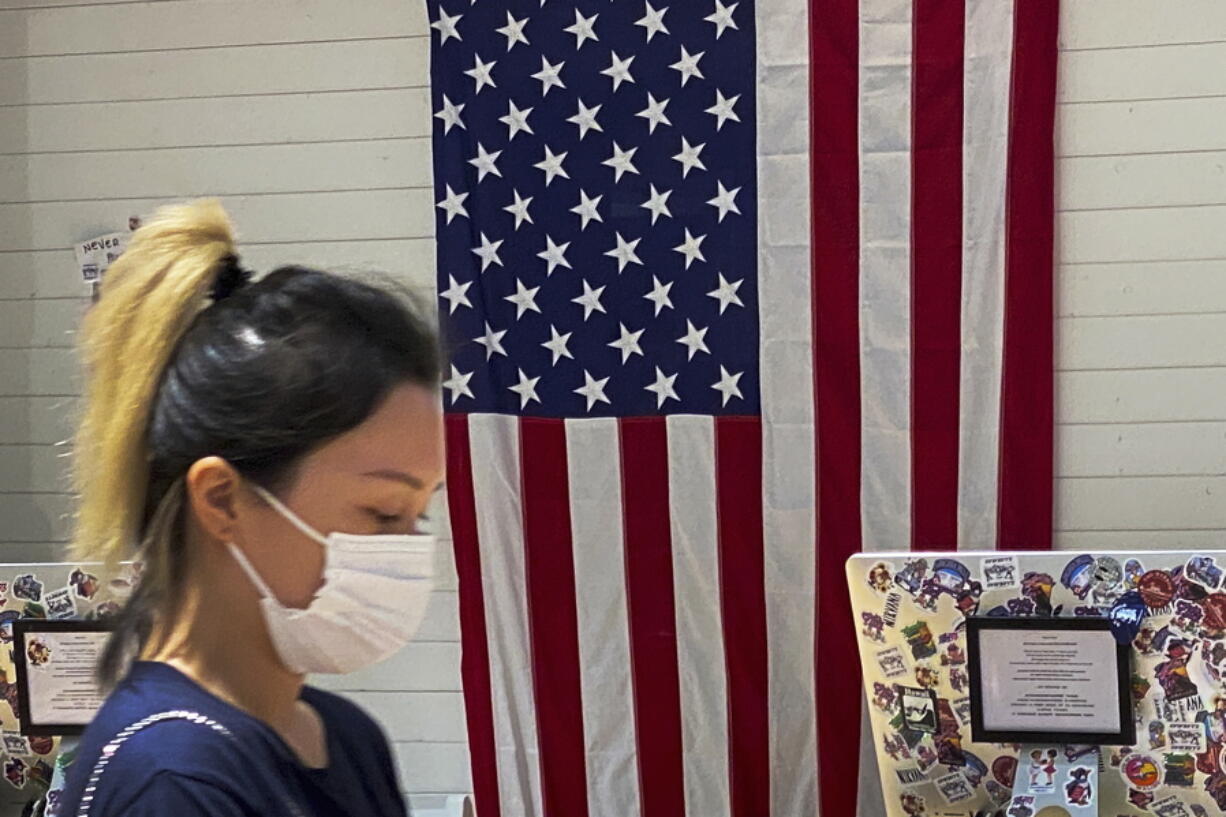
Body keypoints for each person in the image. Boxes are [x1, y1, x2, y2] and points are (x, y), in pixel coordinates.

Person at [56, 200, 444, 817]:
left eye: (421, 514)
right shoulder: (173, 778)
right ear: (222, 500)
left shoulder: (344, 737)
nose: (408, 549)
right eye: (383, 512)